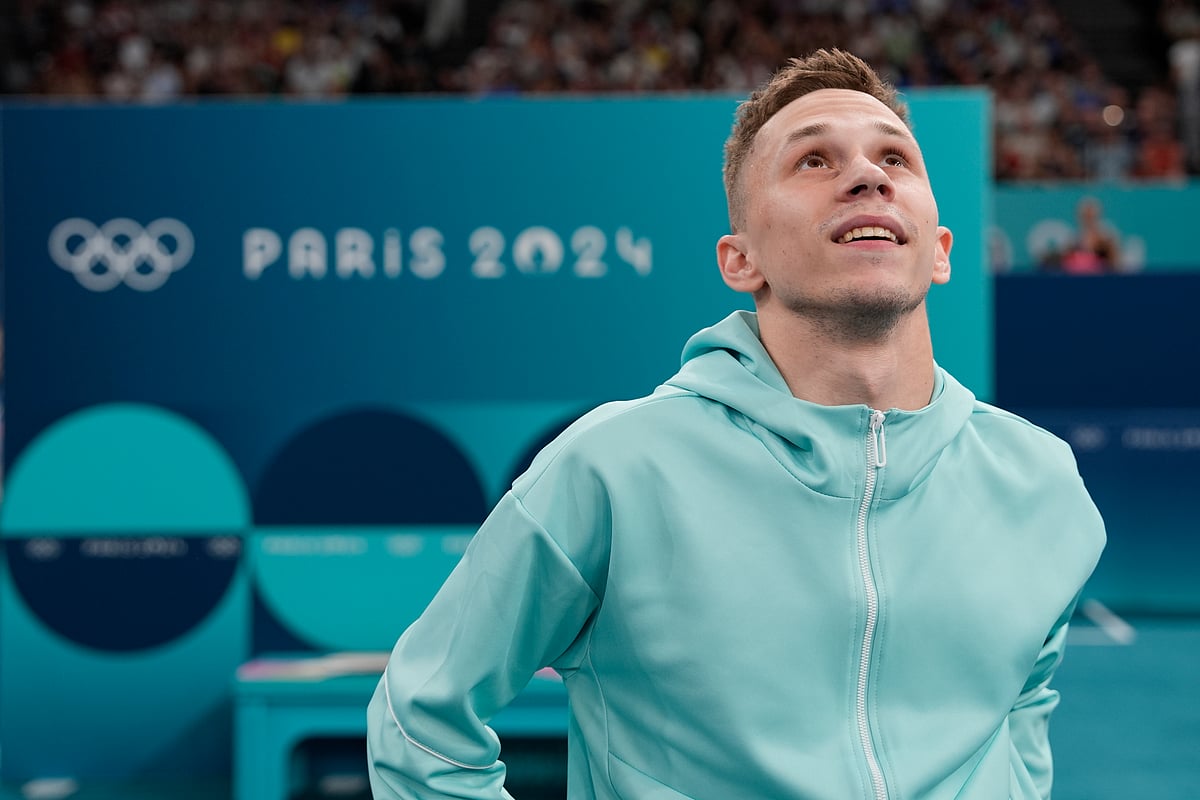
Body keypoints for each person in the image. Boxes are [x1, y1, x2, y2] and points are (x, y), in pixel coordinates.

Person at [367, 48, 1106, 800]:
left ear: (941, 250)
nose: (867, 175)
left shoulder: (1040, 481)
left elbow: (1017, 727)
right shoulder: (615, 468)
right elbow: (419, 720)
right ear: (740, 260)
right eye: (814, 160)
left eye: (895, 158)